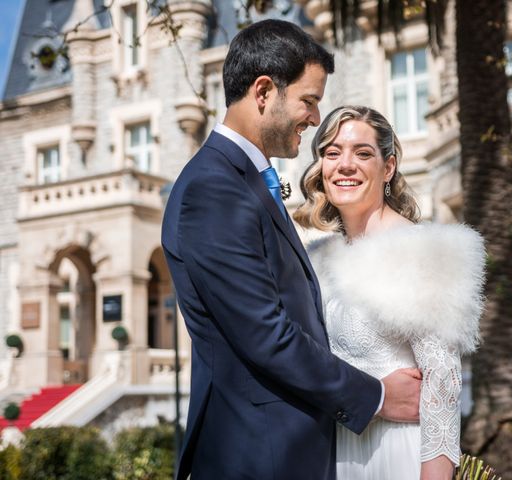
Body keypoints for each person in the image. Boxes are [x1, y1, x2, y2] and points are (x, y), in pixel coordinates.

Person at [161, 21, 422, 480]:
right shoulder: (214, 189)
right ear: (264, 92)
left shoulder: (242, 180)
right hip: (258, 455)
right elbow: (266, 334)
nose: (315, 118)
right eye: (309, 100)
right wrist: (377, 397)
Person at [294, 106, 486, 480]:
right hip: (332, 457)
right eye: (332, 153)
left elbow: (442, 390)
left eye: (362, 153)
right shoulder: (315, 260)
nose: (345, 165)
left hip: (399, 456)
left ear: (389, 167)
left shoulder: (424, 250)